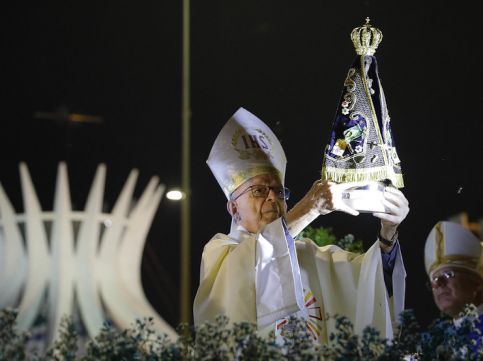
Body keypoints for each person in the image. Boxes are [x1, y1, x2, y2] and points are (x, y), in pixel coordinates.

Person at [194, 108, 409, 343]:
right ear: (234, 209)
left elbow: (370, 286)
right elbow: (247, 270)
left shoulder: (311, 256)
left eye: (279, 191)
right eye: (259, 191)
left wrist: (388, 233)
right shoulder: (221, 253)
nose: (272, 198)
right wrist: (311, 206)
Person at [424, 221, 483, 351]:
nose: (438, 284)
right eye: (434, 279)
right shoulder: (444, 343)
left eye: (448, 274)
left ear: (477, 283)